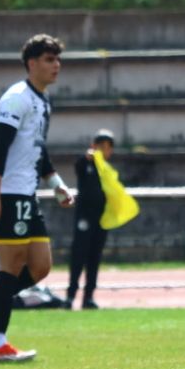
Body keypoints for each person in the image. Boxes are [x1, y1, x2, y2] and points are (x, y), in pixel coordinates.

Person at [0, 34, 74, 362]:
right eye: (49, 59)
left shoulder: (43, 100)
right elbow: (0, 148)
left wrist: (57, 184)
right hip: (8, 192)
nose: (56, 65)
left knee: (40, 266)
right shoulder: (16, 98)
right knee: (11, 267)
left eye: (58, 59)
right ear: (31, 63)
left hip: (27, 192)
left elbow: (38, 149)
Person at [66, 129, 130, 309]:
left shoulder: (108, 171)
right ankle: (70, 296)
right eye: (101, 146)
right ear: (94, 146)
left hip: (101, 219)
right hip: (84, 217)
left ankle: (88, 297)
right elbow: (79, 165)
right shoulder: (85, 163)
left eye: (108, 147)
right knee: (78, 255)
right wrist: (87, 157)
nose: (105, 150)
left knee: (94, 257)